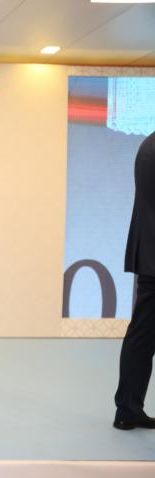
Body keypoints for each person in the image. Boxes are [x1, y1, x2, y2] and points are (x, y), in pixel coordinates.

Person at [114, 131, 155, 431]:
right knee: (142, 335)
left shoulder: (148, 144)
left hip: (150, 251)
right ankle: (128, 408)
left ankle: (128, 409)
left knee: (142, 335)